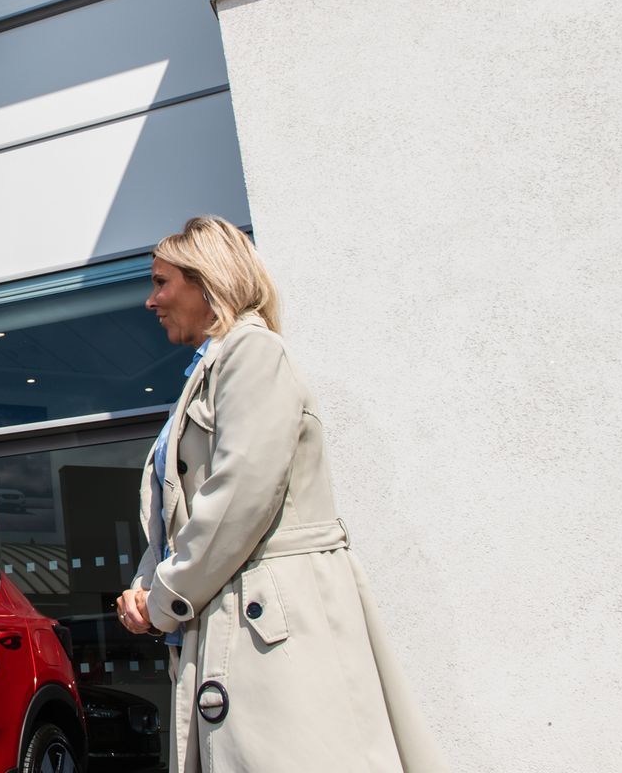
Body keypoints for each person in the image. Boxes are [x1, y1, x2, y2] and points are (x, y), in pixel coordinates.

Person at [115, 217, 443, 772]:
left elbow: (239, 496)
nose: (152, 301)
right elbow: (179, 511)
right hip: (236, 618)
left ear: (205, 281)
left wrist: (164, 596)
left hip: (270, 626)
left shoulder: (255, 354)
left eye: (161, 282)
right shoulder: (212, 370)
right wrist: (144, 587)